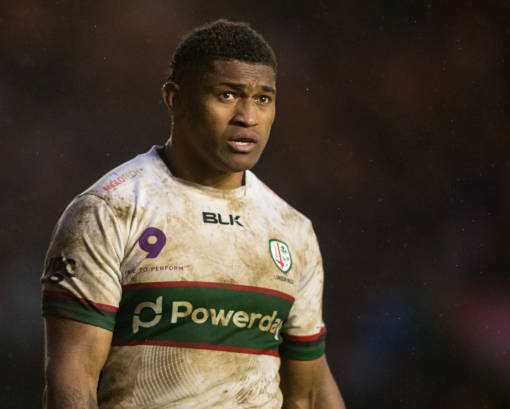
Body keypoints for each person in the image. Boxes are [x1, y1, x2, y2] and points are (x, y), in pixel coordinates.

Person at [41, 19, 345, 409]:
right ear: (174, 98)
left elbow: (310, 393)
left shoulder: (292, 229)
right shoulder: (108, 211)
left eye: (263, 99)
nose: (248, 117)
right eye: (227, 95)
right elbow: (73, 379)